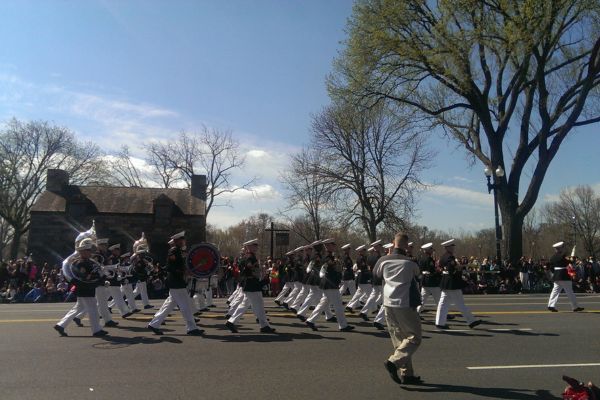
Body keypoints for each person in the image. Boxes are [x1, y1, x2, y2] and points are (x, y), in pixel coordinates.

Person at [373, 232, 423, 385]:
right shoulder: (410, 262)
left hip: (388, 303)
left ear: (393, 244)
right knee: (414, 338)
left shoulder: (382, 261)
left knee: (400, 340)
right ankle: (393, 362)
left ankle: (407, 374)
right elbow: (418, 276)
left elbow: (376, 276)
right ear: (407, 246)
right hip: (405, 303)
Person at [147, 231, 204, 336]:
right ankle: (192, 328)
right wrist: (183, 271)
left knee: (168, 305)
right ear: (178, 241)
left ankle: (154, 324)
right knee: (185, 306)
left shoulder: (178, 251)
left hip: (176, 282)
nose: (184, 241)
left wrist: (186, 271)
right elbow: (170, 267)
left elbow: (179, 266)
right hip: (176, 282)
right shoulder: (174, 251)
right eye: (183, 240)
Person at [54, 238, 107, 337]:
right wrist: (96, 276)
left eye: (90, 250)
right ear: (81, 251)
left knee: (78, 308)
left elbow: (93, 274)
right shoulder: (80, 263)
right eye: (87, 250)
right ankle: (96, 330)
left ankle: (61, 325)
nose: (90, 252)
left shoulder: (89, 261)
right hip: (85, 288)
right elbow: (83, 277)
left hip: (87, 288)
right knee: (93, 308)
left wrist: (101, 275)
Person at [225, 239, 276, 333]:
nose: (256, 247)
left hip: (250, 284)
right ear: (248, 247)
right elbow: (248, 270)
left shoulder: (247, 257)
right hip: (252, 284)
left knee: (244, 305)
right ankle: (264, 326)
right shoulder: (250, 257)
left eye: (256, 245)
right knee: (259, 305)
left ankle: (231, 322)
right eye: (254, 245)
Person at [434, 239, 482, 329]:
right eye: (452, 246)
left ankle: (439, 323)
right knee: (460, 303)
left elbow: (440, 266)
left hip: (445, 281)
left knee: (443, 303)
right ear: (448, 247)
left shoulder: (443, 256)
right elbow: (452, 270)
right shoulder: (450, 257)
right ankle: (471, 321)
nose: (453, 248)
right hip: (452, 282)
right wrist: (459, 269)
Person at [547, 241, 584, 312]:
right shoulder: (563, 255)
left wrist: (555, 273)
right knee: (570, 292)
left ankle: (551, 305)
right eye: (562, 247)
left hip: (556, 276)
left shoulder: (553, 257)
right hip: (564, 275)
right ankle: (575, 307)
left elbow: (550, 267)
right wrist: (572, 259)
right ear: (560, 248)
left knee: (555, 291)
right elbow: (570, 262)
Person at [416, 243, 441, 314]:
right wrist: (438, 271)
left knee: (422, 300)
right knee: (439, 300)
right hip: (432, 282)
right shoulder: (429, 259)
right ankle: (442, 315)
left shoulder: (421, 258)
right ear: (428, 250)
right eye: (431, 249)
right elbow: (432, 270)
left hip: (424, 281)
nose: (432, 250)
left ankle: (417, 313)